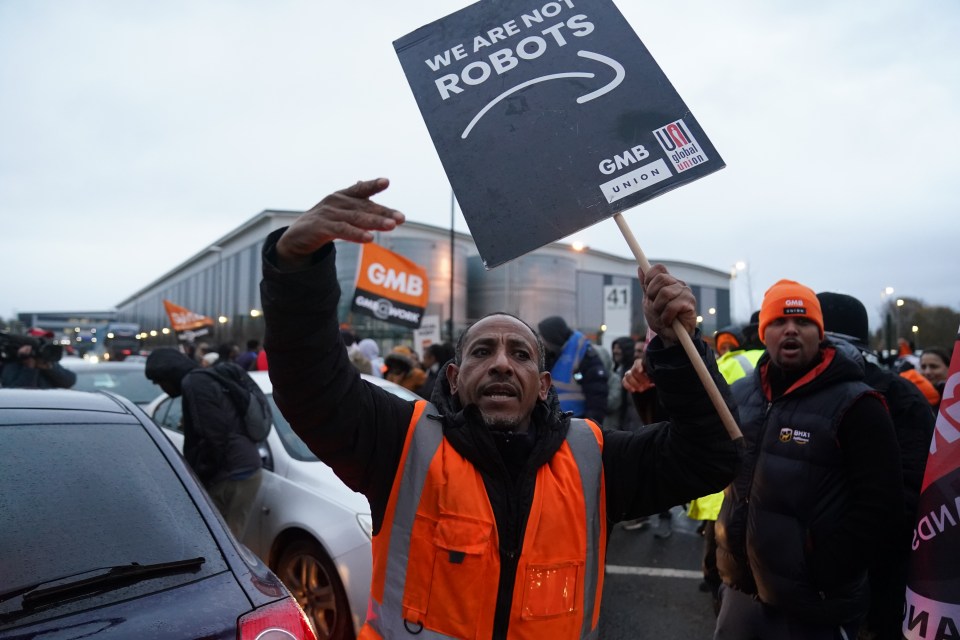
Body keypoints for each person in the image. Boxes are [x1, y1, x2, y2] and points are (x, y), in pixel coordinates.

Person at [259, 178, 741, 639]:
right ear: (454, 375)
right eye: (483, 351)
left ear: (543, 385)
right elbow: (312, 387)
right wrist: (297, 267)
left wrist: (678, 348)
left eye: (521, 354)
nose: (502, 365)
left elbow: (710, 455)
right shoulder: (400, 443)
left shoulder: (594, 460)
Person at [714, 280, 903, 640]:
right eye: (779, 321)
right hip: (740, 591)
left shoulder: (858, 405)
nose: (790, 329)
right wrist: (718, 554)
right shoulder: (740, 395)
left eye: (803, 323)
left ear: (820, 333)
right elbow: (729, 484)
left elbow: (882, 506)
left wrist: (822, 571)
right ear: (763, 334)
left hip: (814, 607)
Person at [816, 291, 936, 640]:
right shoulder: (795, 391)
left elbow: (912, 494)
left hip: (877, 581)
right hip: (800, 586)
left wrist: (841, 550)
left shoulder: (898, 397)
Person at [145, 347, 263, 538]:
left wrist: (201, 477)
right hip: (243, 468)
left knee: (220, 545)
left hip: (231, 476)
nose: (162, 388)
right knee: (229, 539)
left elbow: (214, 435)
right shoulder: (203, 379)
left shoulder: (195, 384)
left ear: (169, 374)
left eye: (160, 382)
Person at [537, 315, 609, 424]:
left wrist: (592, 426)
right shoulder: (551, 353)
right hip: (553, 419)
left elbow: (597, 394)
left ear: (553, 338)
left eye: (543, 338)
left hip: (577, 421)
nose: (542, 342)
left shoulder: (584, 354)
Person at [0, 328, 77, 389]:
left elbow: (69, 381)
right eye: (41, 341)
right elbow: (19, 394)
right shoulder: (12, 365)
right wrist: (29, 368)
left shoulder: (48, 362)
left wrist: (49, 368)